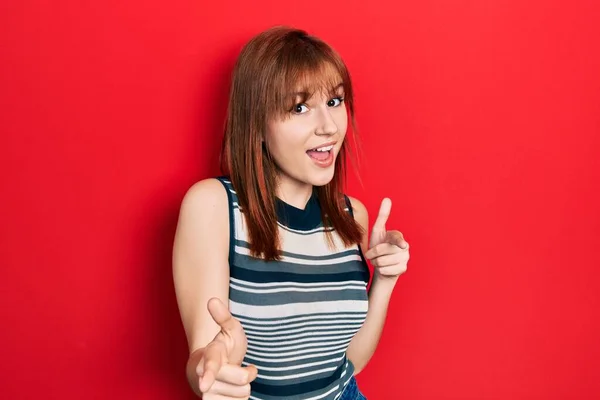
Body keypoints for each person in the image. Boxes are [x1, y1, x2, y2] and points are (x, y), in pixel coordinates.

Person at [172, 25, 410, 400]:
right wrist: (210, 368)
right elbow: (203, 355)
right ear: (258, 125)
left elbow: (349, 362)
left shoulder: (353, 216)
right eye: (299, 108)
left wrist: (384, 280)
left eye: (334, 101)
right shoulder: (214, 206)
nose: (328, 127)